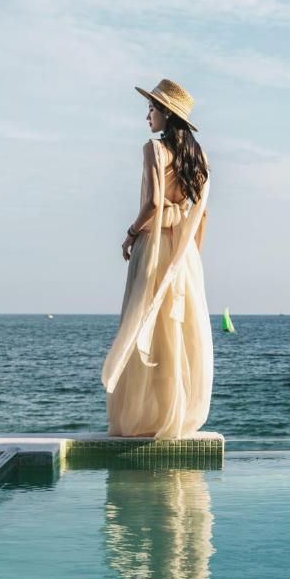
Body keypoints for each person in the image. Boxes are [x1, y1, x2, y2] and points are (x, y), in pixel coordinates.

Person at [101, 78, 213, 438]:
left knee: (141, 325)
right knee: (177, 332)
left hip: (153, 248)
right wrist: (190, 256)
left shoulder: (154, 150)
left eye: (151, 108)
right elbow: (203, 215)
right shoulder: (200, 156)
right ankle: (173, 416)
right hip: (184, 252)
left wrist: (130, 234)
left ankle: (139, 418)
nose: (147, 115)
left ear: (166, 112)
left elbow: (151, 204)